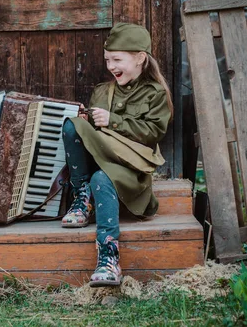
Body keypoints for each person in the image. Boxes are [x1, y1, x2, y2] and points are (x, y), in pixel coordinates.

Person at [60, 23, 173, 287]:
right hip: (103, 160)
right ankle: (82, 196)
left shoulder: (155, 94)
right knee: (72, 125)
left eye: (117, 59)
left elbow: (154, 133)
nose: (111, 66)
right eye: (108, 59)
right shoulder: (103, 90)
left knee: (102, 178)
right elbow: (94, 134)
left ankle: (108, 257)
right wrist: (86, 118)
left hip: (131, 170)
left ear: (140, 58)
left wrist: (113, 120)